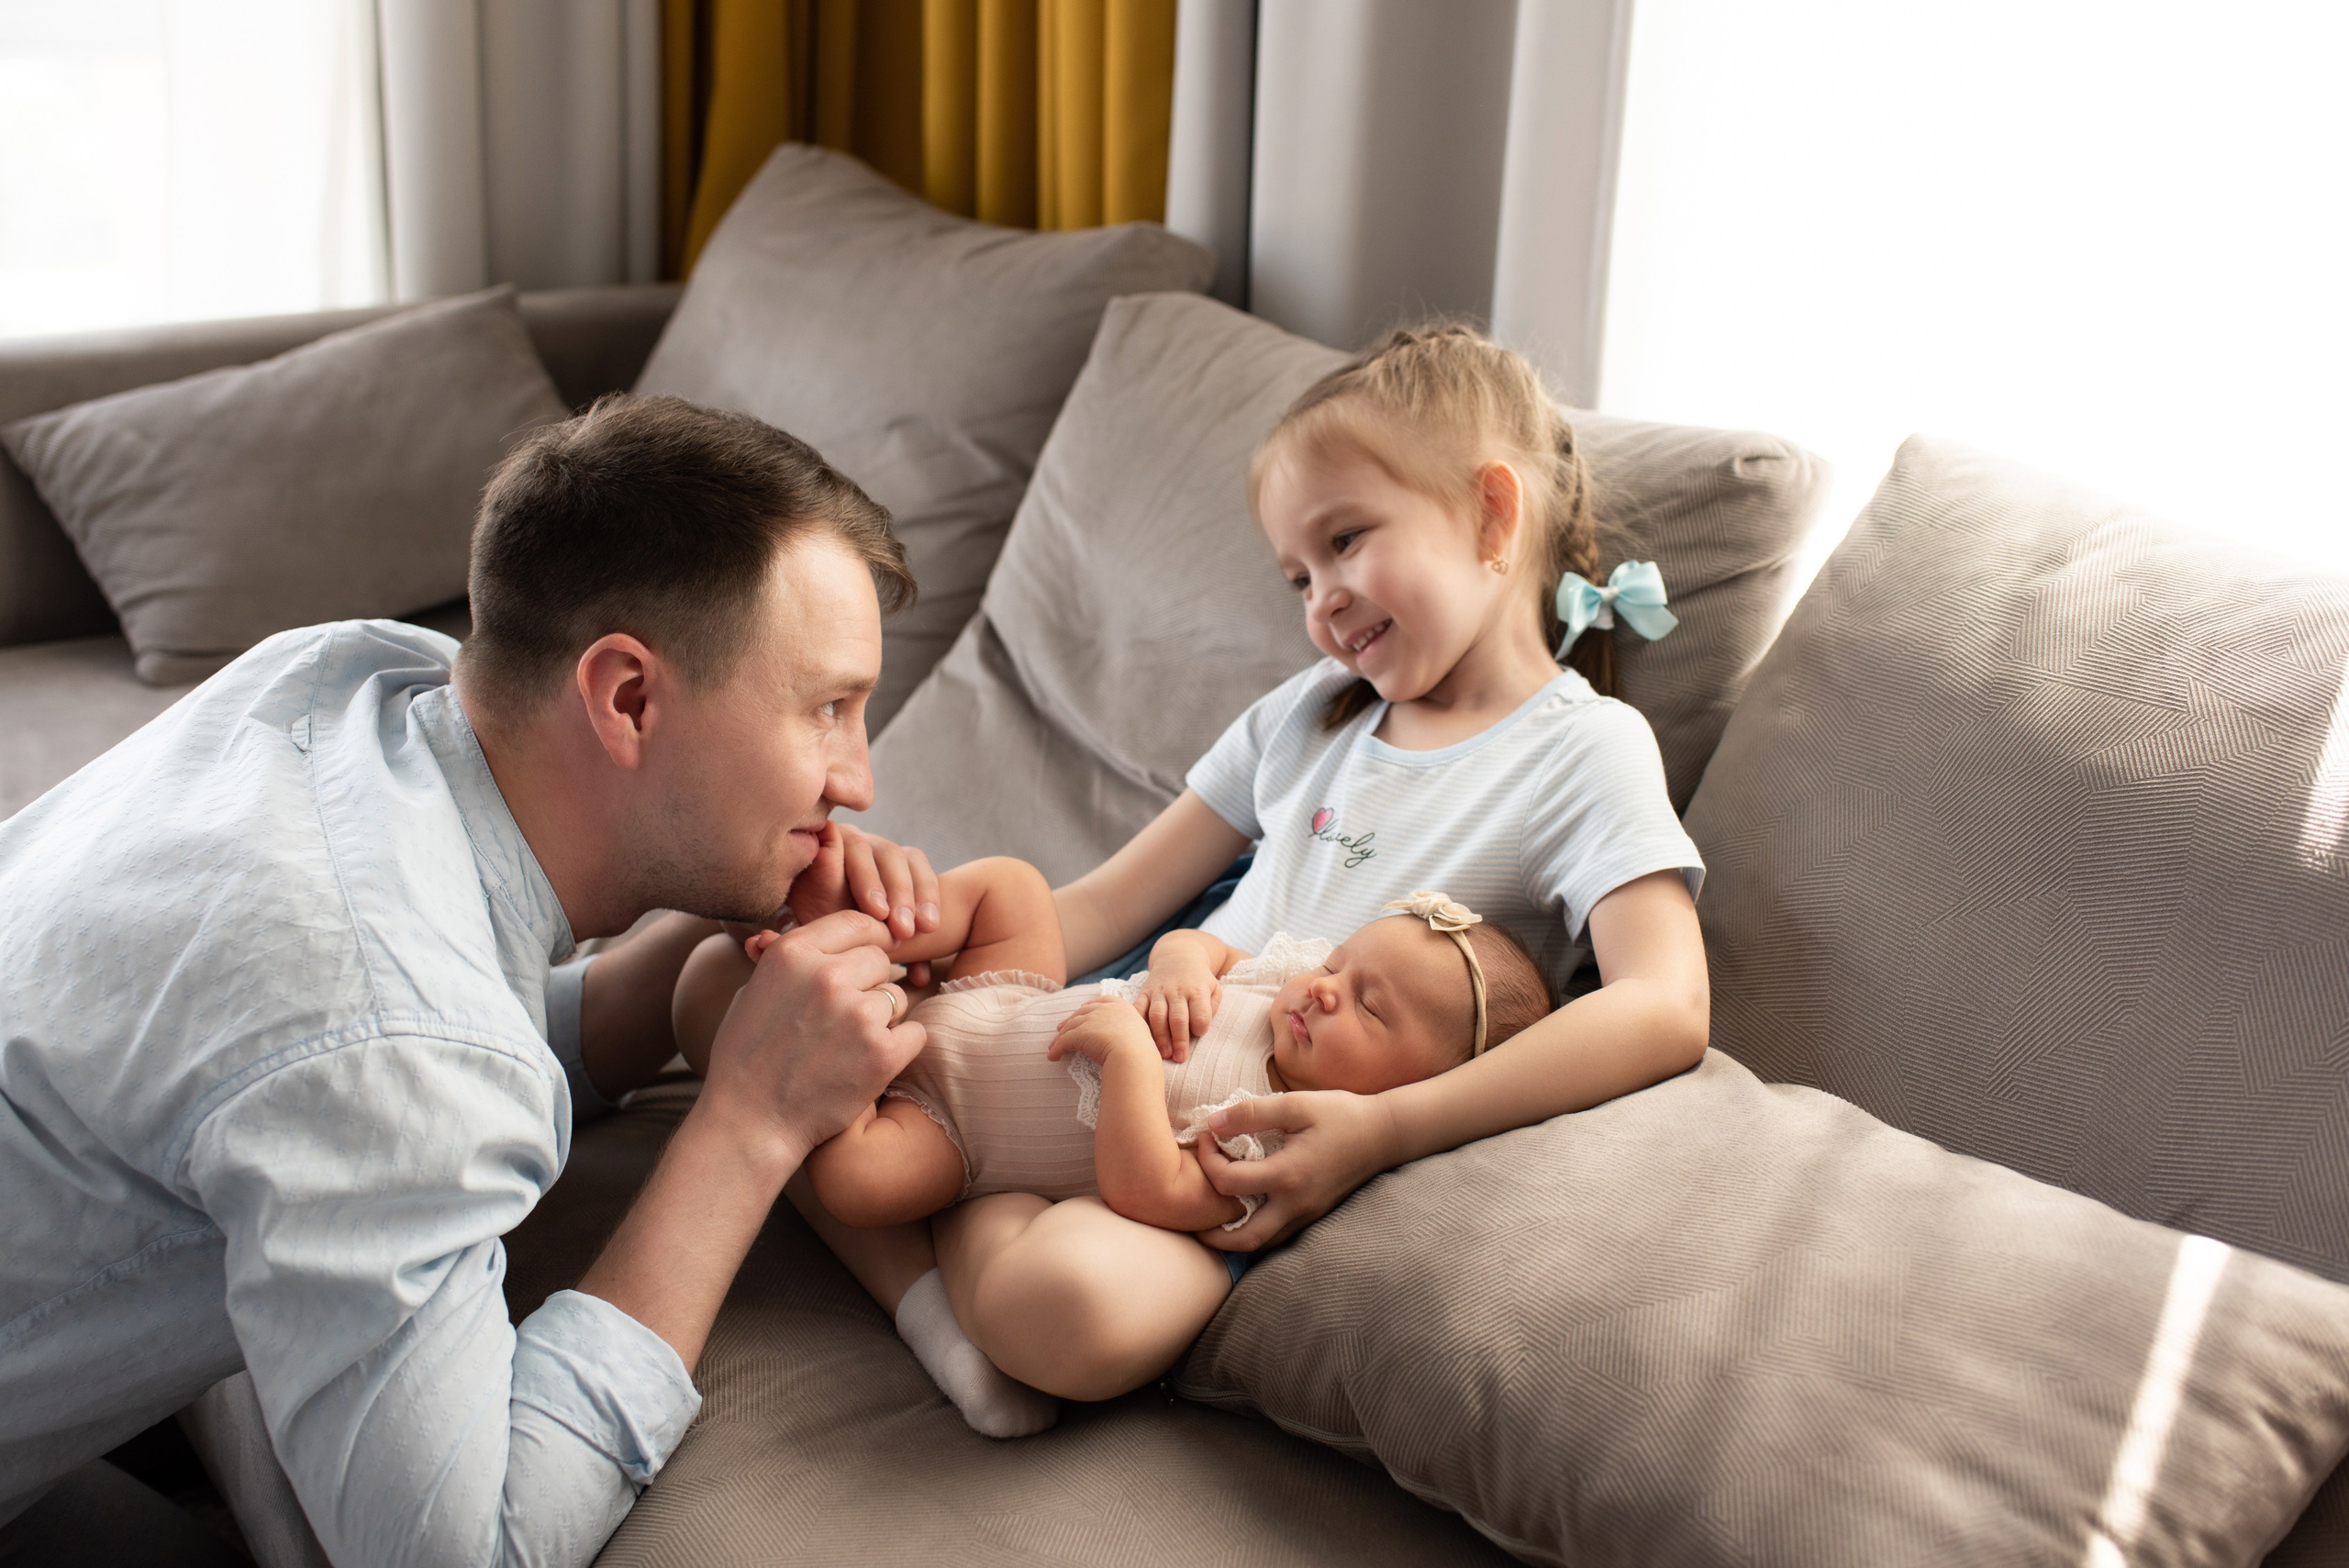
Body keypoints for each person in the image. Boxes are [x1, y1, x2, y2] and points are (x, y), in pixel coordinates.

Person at [0, 395, 956, 1568]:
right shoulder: (376, 1020)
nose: (857, 781)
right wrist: (750, 1124)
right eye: (829, 709)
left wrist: (676, 970)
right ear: (627, 698)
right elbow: (465, 1551)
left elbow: (418, 1040)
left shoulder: (341, 686)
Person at [799, 323, 1715, 1437]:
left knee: (1075, 1309)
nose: (1321, 598)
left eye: (1345, 541)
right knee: (728, 986)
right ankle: (943, 1307)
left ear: (1491, 512)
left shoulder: (1583, 749)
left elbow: (1665, 1005)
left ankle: (956, 1246)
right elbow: (1101, 908)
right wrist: (917, 950)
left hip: (1209, 1148)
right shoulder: (1306, 716)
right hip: (1096, 1027)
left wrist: (1380, 1132)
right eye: (1297, 573)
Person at [674, 863, 1546, 1407]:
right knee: (1013, 886)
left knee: (859, 1184)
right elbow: (1205, 949)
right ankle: (843, 939)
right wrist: (1173, 962)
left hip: (954, 1129)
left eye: (1368, 1006)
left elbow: (1152, 1193)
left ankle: (846, 1064)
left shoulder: (1268, 1137)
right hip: (999, 1000)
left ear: (1408, 1088)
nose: (1322, 989)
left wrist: (1133, 1060)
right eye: (1337, 965)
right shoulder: (1279, 988)